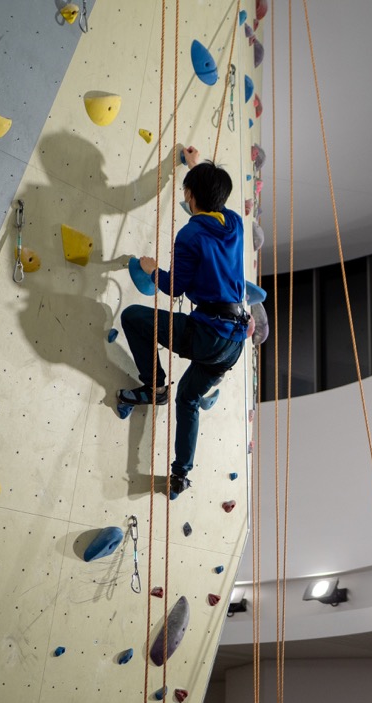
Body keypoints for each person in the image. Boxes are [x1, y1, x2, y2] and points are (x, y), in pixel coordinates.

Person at [118, 145, 251, 500]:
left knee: (134, 317)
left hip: (208, 334)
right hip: (234, 342)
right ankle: (180, 476)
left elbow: (175, 287)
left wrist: (150, 270)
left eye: (186, 191)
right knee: (188, 399)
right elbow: (213, 202)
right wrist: (194, 166)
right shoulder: (234, 224)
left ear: (190, 195)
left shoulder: (190, 235)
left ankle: (155, 386)